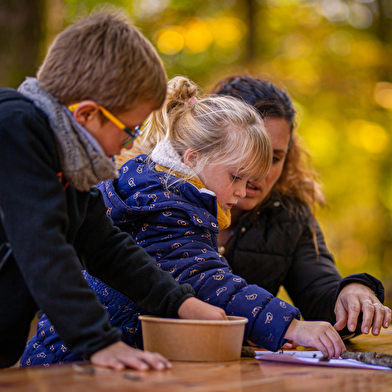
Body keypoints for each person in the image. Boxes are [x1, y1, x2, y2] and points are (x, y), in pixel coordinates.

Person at [22, 76, 346, 366]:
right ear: (192, 158)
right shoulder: (167, 208)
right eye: (235, 177)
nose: (241, 192)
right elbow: (207, 278)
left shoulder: (155, 187)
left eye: (248, 181)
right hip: (74, 363)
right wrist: (291, 326)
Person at [0, 10, 228, 370]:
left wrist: (181, 302)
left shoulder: (65, 161)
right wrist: (100, 343)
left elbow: (104, 245)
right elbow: (40, 243)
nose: (128, 144)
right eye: (130, 130)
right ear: (88, 114)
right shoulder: (15, 129)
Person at [210, 74, 391, 339]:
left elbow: (319, 291)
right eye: (251, 151)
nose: (260, 172)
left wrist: (352, 292)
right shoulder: (163, 194)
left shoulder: (289, 215)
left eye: (274, 158)